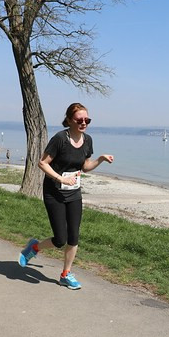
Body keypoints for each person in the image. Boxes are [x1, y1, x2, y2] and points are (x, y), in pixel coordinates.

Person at [18, 102, 113, 290]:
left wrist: (100, 159)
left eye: (87, 120)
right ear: (69, 120)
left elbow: (85, 167)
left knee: (74, 237)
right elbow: (42, 163)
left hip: (74, 193)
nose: (84, 123)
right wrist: (60, 178)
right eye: (79, 119)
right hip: (54, 192)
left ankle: (65, 274)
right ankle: (34, 248)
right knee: (60, 240)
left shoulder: (88, 140)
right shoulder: (60, 139)